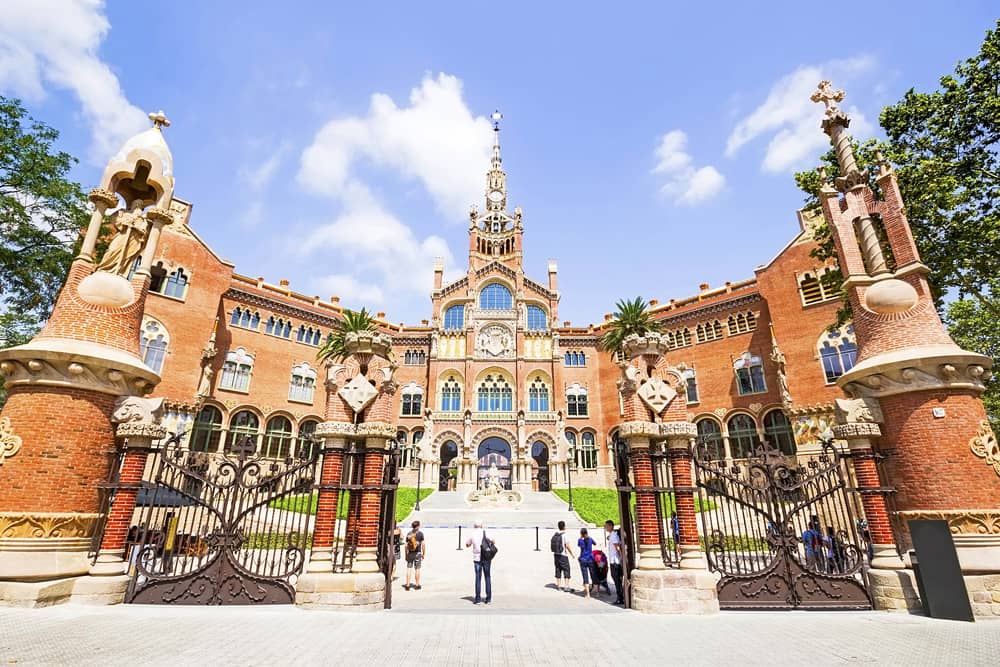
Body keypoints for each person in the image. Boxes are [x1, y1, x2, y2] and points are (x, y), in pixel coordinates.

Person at [465, 518, 495, 604]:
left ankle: (477, 599)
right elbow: (494, 541)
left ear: (474, 525)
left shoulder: (472, 533)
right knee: (487, 577)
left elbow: (467, 544)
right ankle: (488, 599)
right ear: (482, 525)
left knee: (478, 578)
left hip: (477, 558)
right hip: (486, 557)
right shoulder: (485, 532)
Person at [605, 520, 624, 605]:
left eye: (606, 526)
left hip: (615, 561)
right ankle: (620, 596)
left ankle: (620, 597)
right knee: (616, 579)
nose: (605, 528)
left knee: (617, 580)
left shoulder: (614, 536)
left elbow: (617, 547)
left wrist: (621, 557)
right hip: (613, 560)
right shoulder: (612, 535)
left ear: (610, 526)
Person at [552, 520, 575, 592]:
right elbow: (567, 546)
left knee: (558, 569)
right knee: (566, 569)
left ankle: (558, 586)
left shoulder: (555, 534)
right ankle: (566, 586)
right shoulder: (564, 535)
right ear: (564, 526)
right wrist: (572, 554)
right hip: (563, 555)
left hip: (556, 554)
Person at [403, 520, 425, 591]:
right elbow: (423, 545)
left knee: (409, 569)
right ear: (418, 526)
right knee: (417, 569)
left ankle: (408, 585)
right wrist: (423, 553)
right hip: (417, 553)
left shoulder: (409, 534)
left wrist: (406, 555)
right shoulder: (420, 534)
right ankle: (417, 585)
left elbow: (406, 545)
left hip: (410, 553)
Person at [577, 527, 597, 598]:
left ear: (581, 534)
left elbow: (579, 545)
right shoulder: (590, 539)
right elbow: (595, 543)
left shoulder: (580, 540)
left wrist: (581, 537)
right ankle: (596, 592)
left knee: (585, 577)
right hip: (591, 559)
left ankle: (588, 594)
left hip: (583, 560)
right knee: (593, 575)